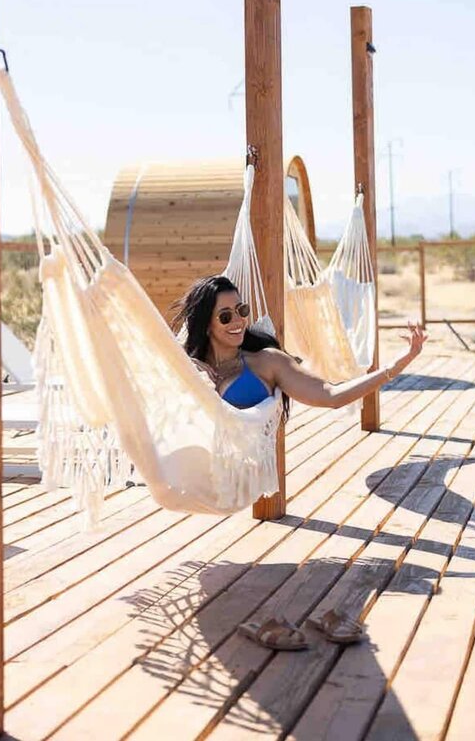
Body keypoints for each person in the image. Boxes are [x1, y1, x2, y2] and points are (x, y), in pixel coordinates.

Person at [174, 273, 427, 651]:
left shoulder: (266, 362)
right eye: (225, 316)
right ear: (207, 324)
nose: (239, 321)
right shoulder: (187, 366)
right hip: (196, 468)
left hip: (239, 471)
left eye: (241, 310)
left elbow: (330, 395)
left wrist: (395, 366)